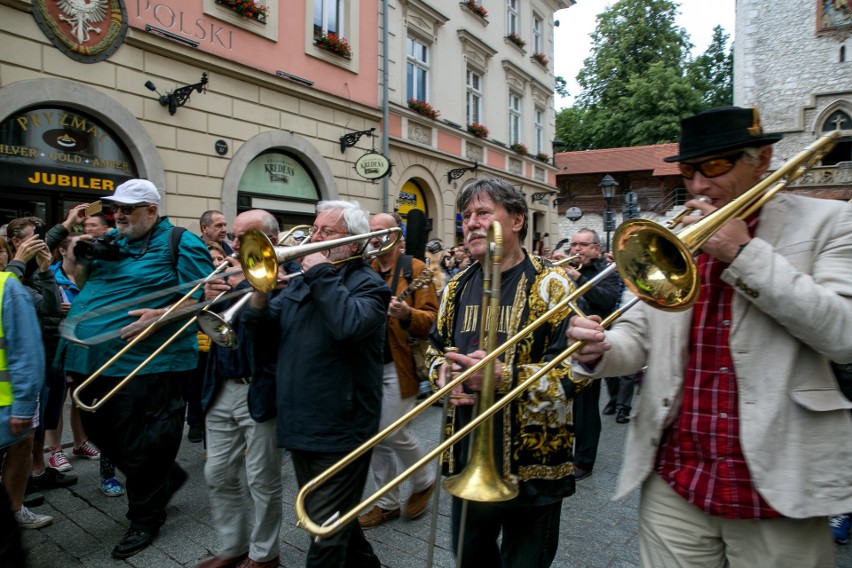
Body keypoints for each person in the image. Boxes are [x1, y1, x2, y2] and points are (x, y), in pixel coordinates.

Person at [567, 106, 852, 568]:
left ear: (760, 159)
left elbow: (844, 335)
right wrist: (600, 350)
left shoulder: (831, 222)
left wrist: (743, 253)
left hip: (775, 487)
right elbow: (638, 333)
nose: (697, 185)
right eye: (688, 170)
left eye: (714, 166)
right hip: (676, 479)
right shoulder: (677, 233)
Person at [426, 177, 583, 567]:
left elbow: (578, 371)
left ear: (516, 220)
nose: (471, 223)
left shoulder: (552, 285)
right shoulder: (456, 287)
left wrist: (506, 378)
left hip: (534, 463)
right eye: (465, 216)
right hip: (468, 454)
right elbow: (434, 350)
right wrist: (442, 375)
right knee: (469, 556)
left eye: (482, 213)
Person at [57, 179, 213, 559]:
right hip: (90, 360)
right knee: (99, 431)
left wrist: (161, 315)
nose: (120, 215)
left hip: (149, 364)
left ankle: (145, 517)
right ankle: (164, 480)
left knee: (146, 441)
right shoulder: (113, 242)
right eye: (117, 209)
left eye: (129, 209)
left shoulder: (181, 240)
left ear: (152, 210)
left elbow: (205, 294)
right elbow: (84, 283)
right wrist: (76, 255)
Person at [246, 200, 389, 567]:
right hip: (301, 421)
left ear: (354, 243)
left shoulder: (370, 286)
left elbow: (348, 326)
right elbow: (266, 340)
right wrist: (260, 294)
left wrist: (321, 273)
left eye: (327, 232)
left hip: (343, 427)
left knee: (324, 532)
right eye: (315, 229)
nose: (314, 237)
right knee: (328, 520)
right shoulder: (299, 283)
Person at [196, 210, 283, 568]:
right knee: (216, 472)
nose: (232, 244)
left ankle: (265, 555)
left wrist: (246, 289)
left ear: (269, 242)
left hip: (260, 389)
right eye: (232, 236)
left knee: (262, 478)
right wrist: (209, 296)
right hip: (221, 384)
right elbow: (213, 330)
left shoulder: (287, 277)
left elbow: (273, 328)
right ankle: (232, 547)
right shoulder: (228, 272)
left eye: (242, 237)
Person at [357, 213, 438, 529]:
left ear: (395, 234)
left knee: (390, 430)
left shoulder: (415, 269)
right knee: (374, 438)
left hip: (399, 365)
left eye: (381, 231)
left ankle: (424, 479)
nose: (375, 237)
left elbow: (431, 319)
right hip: (369, 365)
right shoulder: (368, 269)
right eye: (371, 232)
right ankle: (387, 502)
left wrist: (407, 313)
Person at [560, 228, 621, 481]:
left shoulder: (607, 272)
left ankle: (584, 461)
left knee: (586, 408)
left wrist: (579, 280)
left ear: (596, 248)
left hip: (590, 349)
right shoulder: (562, 269)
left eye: (583, 245)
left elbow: (607, 300)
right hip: (563, 344)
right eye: (573, 244)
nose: (576, 249)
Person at [0, 270, 47, 562]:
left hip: (5, 405)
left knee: (22, 449)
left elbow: (28, 350)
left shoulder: (8, 286)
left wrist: (24, 406)